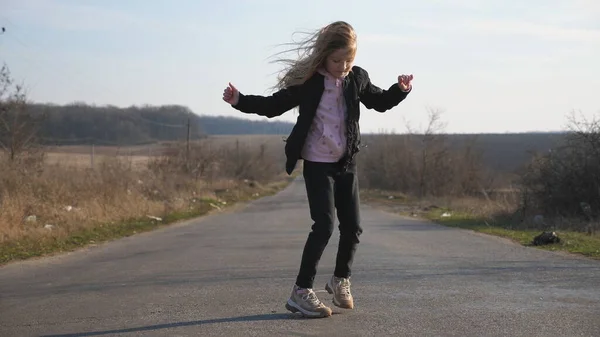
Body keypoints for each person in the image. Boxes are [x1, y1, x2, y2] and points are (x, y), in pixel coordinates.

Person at [222, 21, 413, 318]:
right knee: (324, 225)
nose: (343, 66)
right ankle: (301, 291)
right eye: (337, 60)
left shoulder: (356, 77)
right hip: (317, 164)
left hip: (345, 162)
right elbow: (274, 105)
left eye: (348, 60)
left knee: (352, 227)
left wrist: (399, 90)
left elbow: (379, 102)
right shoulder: (310, 82)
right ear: (324, 55)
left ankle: (339, 280)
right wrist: (239, 100)